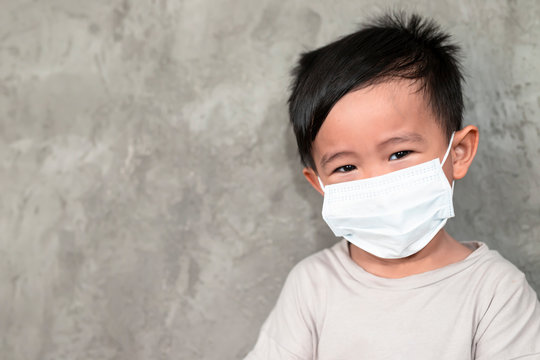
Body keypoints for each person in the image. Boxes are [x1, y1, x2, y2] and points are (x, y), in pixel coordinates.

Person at [244, 12, 540, 360]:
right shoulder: (312, 286)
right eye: (346, 166)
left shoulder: (495, 292)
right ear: (319, 184)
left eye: (399, 153)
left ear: (457, 153)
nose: (377, 183)